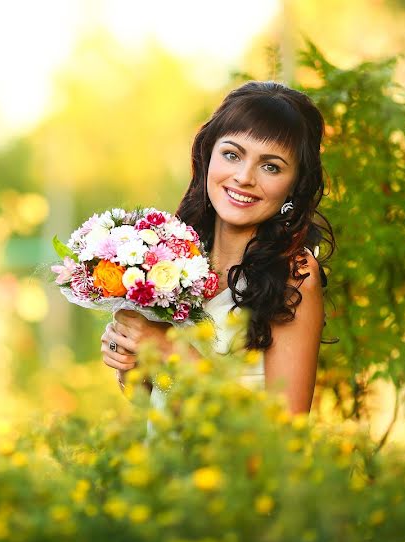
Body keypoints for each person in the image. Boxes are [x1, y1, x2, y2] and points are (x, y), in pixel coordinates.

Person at [99, 81, 334, 415]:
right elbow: (153, 398)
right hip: (162, 463)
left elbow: (284, 435)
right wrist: (131, 361)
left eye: (270, 166)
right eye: (232, 154)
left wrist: (168, 347)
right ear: (208, 155)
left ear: (295, 184)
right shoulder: (176, 257)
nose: (243, 177)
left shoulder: (293, 275)